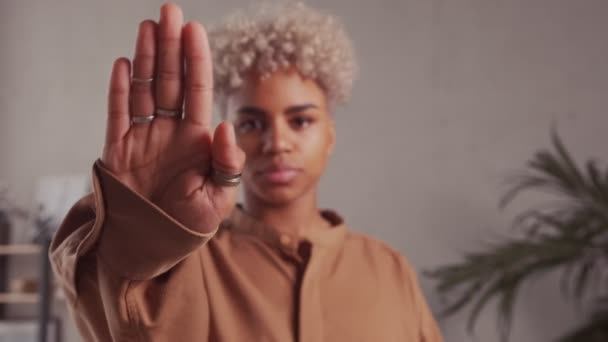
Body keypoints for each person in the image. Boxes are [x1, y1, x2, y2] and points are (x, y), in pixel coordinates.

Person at [50, 2, 443, 341]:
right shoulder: (178, 264)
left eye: (301, 121)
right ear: (227, 133)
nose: (276, 143)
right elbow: (113, 320)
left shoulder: (389, 270)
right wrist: (141, 225)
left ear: (331, 135)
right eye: (251, 124)